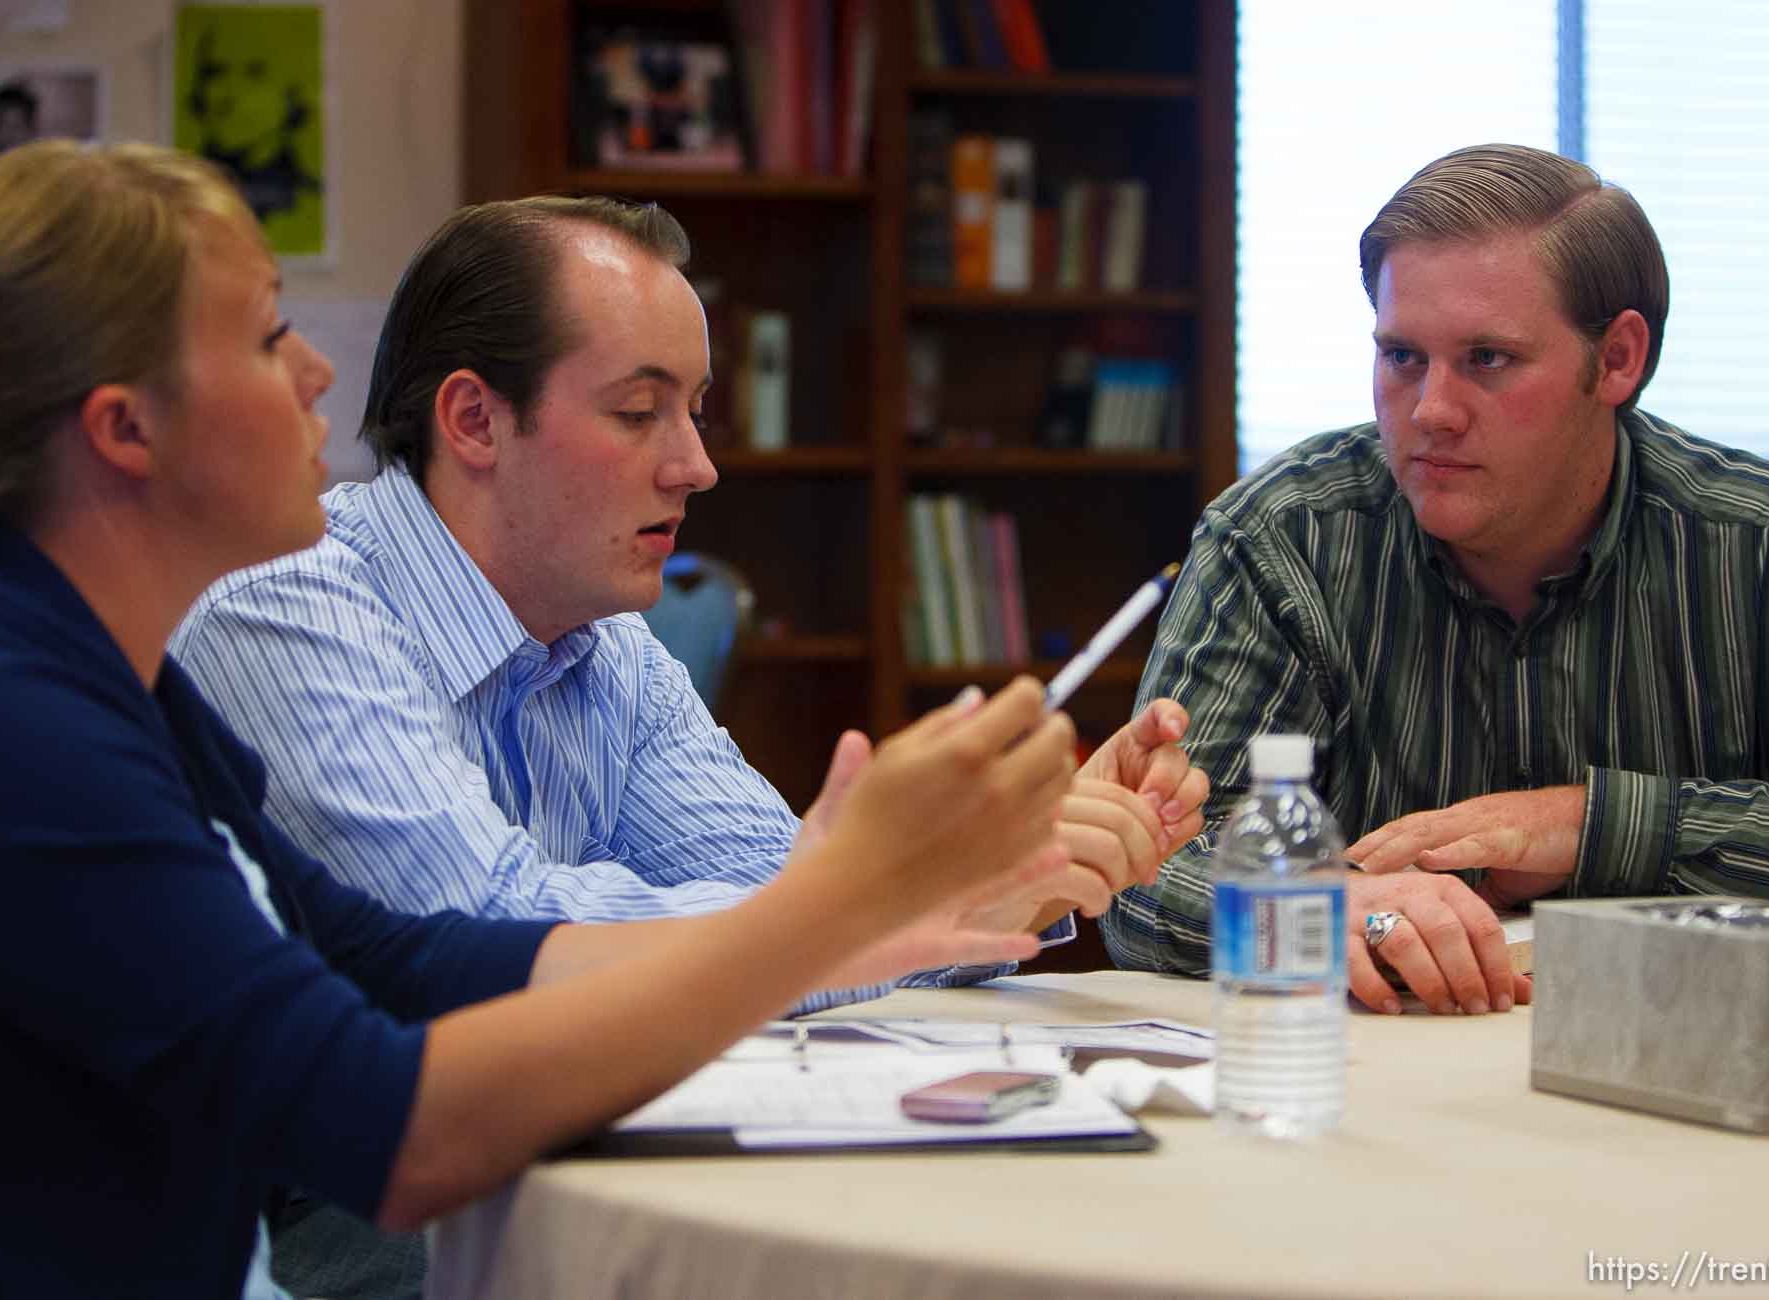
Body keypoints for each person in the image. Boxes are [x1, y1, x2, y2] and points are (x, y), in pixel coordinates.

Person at [0, 139, 1085, 1300]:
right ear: (124, 430)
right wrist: (834, 904)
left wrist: (896, 898)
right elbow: (391, 1125)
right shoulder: (5, 720)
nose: (317, 376)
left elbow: (396, 954)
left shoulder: (96, 672)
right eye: (266, 337)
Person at [166, 194, 1208, 1294]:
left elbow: (781, 894)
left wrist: (994, 873)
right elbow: (490, 941)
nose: (696, 465)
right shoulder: (286, 603)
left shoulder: (607, 636)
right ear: (473, 420)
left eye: (698, 411)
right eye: (638, 412)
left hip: (541, 1139)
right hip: (326, 1204)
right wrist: (874, 897)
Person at [1105, 141, 1769, 1015]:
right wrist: (1316, 907)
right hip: (1381, 1096)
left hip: (1705, 1071)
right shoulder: (1284, 537)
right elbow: (1136, 870)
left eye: (1487, 359)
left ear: (1619, 359)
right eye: (1402, 357)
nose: (1432, 411)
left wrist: (1604, 826)